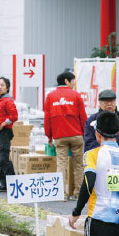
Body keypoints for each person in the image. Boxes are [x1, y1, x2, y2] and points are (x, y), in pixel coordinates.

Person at [44, 71, 87, 200]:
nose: (74, 83)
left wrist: (49, 136)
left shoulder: (50, 97)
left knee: (61, 164)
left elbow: (47, 119)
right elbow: (83, 117)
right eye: (73, 81)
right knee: (78, 165)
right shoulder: (76, 95)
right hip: (76, 135)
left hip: (59, 136)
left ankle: (61, 194)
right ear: (66, 81)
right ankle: (78, 193)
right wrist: (84, 133)